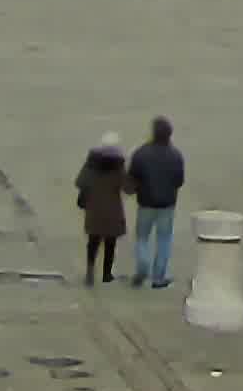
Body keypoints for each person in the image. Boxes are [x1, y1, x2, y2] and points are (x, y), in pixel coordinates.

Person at [125, 115, 188, 289]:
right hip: (167, 204)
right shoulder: (176, 155)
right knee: (164, 240)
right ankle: (159, 277)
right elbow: (179, 180)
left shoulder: (141, 153)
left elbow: (132, 177)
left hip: (145, 203)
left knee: (142, 238)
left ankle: (142, 266)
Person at [75, 132, 130, 286]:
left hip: (94, 209)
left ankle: (90, 272)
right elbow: (128, 188)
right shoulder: (119, 166)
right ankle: (107, 274)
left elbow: (80, 182)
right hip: (113, 210)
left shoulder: (91, 163)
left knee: (93, 242)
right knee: (110, 244)